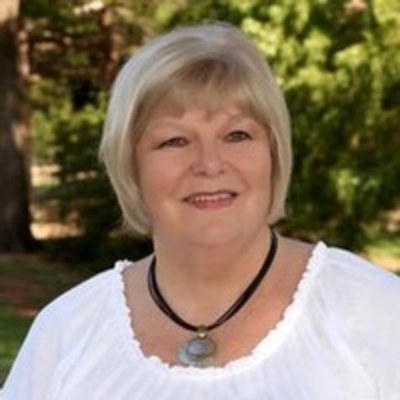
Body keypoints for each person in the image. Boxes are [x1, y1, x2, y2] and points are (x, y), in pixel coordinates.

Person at [2, 21, 400, 400]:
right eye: (175, 141)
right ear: (131, 165)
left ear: (273, 153)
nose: (210, 164)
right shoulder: (68, 331)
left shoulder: (373, 311)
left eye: (237, 135)